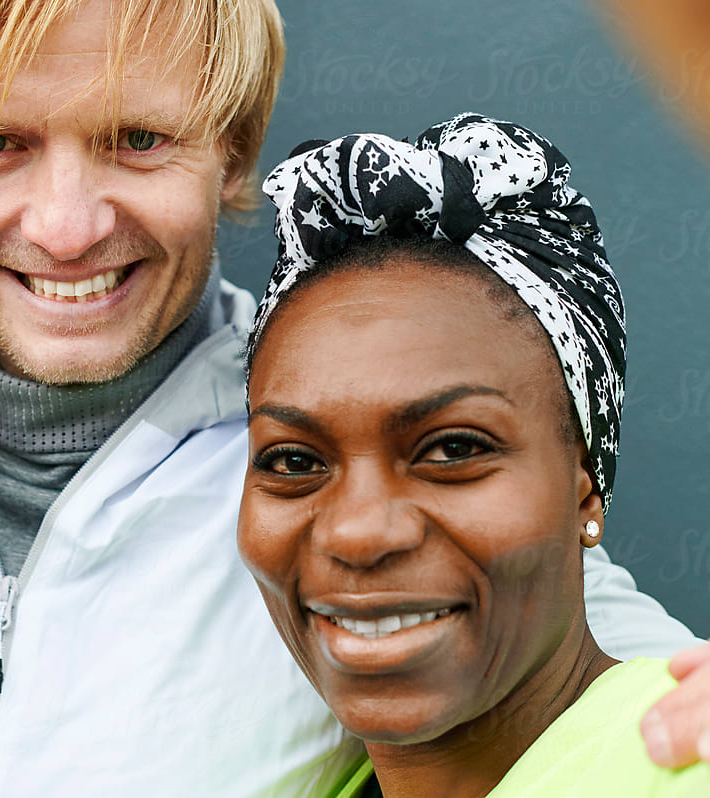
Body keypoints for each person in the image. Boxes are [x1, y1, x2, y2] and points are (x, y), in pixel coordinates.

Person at [0, 2, 710, 795]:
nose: (65, 227)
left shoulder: (324, 468)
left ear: (235, 152)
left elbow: (593, 659)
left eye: (138, 140)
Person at [239, 113, 710, 797]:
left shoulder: (682, 757)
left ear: (585, 486)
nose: (359, 532)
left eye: (453, 449)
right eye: (292, 461)